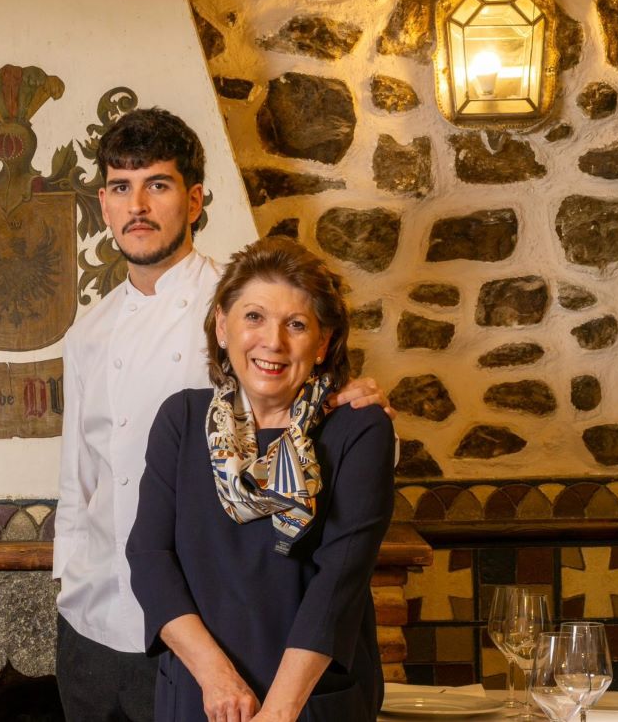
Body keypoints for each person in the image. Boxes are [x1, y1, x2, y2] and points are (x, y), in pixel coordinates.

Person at [53, 109, 392, 722]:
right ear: (103, 204)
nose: (137, 206)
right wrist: (66, 579)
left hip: (198, 633)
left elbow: (307, 399)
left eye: (157, 185)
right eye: (121, 188)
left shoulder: (240, 304)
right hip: (92, 617)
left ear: (194, 199)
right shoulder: (88, 333)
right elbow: (79, 478)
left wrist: (361, 400)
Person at [126, 237, 395, 722]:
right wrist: (217, 678)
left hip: (310, 702)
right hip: (202, 695)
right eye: (254, 316)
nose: (273, 341)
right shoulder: (180, 420)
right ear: (221, 326)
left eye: (296, 324)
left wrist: (278, 713)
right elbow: (149, 559)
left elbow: (338, 584)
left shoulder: (359, 428)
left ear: (323, 344)